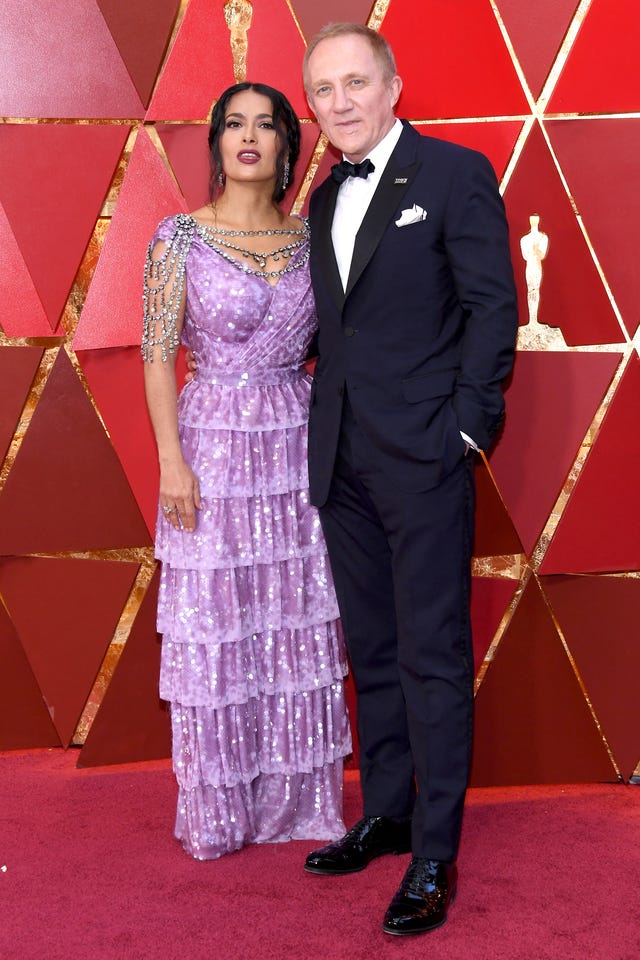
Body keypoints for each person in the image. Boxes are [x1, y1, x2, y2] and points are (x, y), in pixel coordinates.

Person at [300, 23, 518, 936]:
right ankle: (388, 812)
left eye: (357, 82)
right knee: (376, 649)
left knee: (432, 655)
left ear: (393, 85)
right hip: (342, 458)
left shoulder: (454, 172)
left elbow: (490, 304)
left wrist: (467, 429)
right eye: (323, 89)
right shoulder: (319, 198)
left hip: (426, 455)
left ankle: (435, 854)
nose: (341, 101)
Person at [141, 81, 351, 861]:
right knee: (216, 623)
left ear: (290, 147)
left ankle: (298, 805)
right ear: (218, 144)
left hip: (299, 444)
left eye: (268, 124)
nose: (250, 136)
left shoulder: (311, 238)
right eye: (235, 124)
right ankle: (221, 811)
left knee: (293, 617)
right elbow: (158, 355)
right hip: (210, 448)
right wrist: (172, 462)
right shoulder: (177, 239)